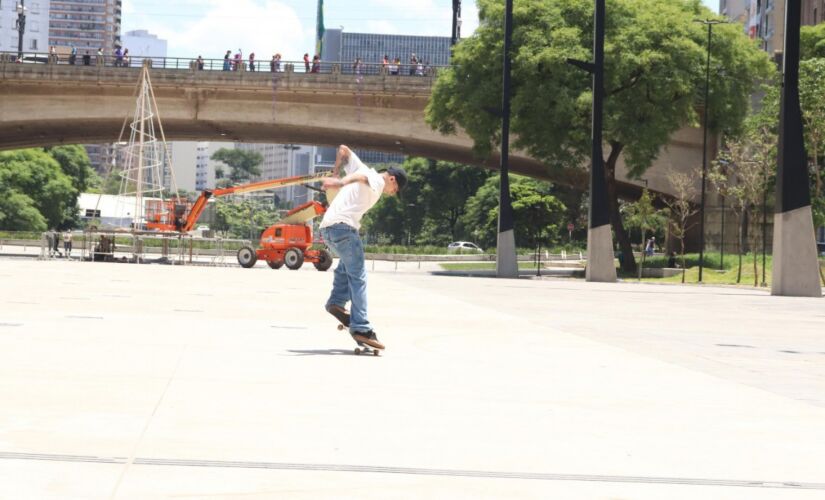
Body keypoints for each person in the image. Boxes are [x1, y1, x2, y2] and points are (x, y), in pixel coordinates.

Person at [320, 145, 407, 350]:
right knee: (358, 277)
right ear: (392, 179)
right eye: (395, 191)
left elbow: (343, 149)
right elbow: (362, 180)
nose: (392, 194)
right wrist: (339, 181)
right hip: (344, 229)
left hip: (328, 230)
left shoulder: (360, 167)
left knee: (346, 267)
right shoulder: (376, 180)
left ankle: (336, 302)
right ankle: (361, 328)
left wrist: (335, 171)